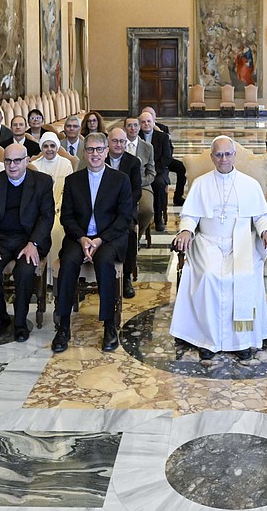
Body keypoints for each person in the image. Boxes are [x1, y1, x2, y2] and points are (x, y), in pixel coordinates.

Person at [170, 136, 267, 360]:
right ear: (212, 157)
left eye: (228, 154)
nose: (223, 158)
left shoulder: (249, 185)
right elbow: (191, 215)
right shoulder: (200, 183)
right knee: (209, 276)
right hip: (208, 242)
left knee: (243, 275)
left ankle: (242, 341)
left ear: (234, 156)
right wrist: (185, 231)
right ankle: (207, 340)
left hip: (242, 242)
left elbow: (261, 216)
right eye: (218, 154)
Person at [54, 132, 134, 353]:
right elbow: (66, 217)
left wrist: (99, 240)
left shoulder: (120, 180)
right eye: (90, 150)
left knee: (104, 263)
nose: (95, 154)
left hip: (109, 238)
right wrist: (82, 239)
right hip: (78, 237)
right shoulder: (72, 180)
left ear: (107, 151)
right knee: (68, 262)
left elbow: (124, 218)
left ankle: (109, 325)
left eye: (99, 149)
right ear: (84, 152)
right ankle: (63, 326)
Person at [0, 142, 55, 343]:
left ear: (27, 161)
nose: (12, 165)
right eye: (8, 161)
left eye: (17, 161)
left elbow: (46, 217)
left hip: (27, 239)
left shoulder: (43, 182)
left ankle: (20, 323)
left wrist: (34, 243)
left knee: (25, 271)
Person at [31, 131, 74, 282]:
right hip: (39, 211)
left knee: (57, 229)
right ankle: (39, 275)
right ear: (41, 147)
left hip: (60, 208)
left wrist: (58, 207)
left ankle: (56, 274)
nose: (49, 149)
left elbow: (68, 191)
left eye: (52, 146)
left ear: (57, 147)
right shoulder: (34, 165)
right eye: (46, 146)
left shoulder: (66, 163)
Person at [106, 127, 143, 298]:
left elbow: (137, 192)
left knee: (128, 232)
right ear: (108, 142)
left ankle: (126, 276)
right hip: (102, 209)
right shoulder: (99, 157)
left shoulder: (133, 162)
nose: (119, 144)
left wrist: (121, 206)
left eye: (122, 141)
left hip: (125, 209)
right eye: (115, 141)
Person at [141, 107, 187, 206]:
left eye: (150, 117)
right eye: (143, 120)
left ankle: (178, 196)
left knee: (181, 167)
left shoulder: (163, 128)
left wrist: (160, 132)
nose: (146, 123)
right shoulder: (138, 131)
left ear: (154, 118)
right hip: (145, 162)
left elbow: (169, 150)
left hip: (161, 160)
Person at [139, 111, 173, 231]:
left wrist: (154, 171)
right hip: (142, 172)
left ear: (153, 122)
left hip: (159, 171)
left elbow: (167, 158)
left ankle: (158, 219)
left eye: (149, 121)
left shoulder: (163, 137)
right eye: (143, 122)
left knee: (158, 184)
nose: (146, 124)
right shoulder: (137, 137)